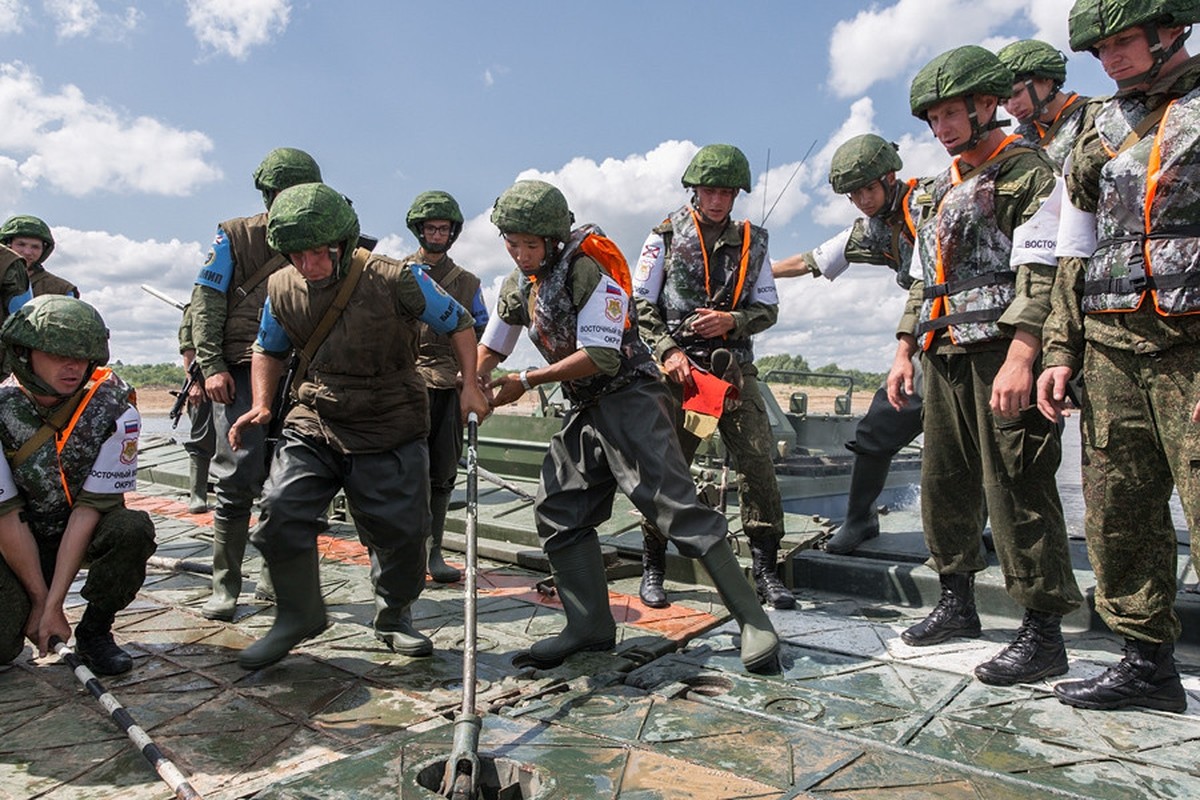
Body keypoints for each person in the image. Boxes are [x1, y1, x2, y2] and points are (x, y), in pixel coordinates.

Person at [478, 179, 780, 672]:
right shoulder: (521, 285)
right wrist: (476, 377)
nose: (520, 255)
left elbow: (599, 355)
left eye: (530, 245)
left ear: (553, 240)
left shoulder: (589, 270)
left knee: (676, 508)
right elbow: (497, 340)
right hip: (586, 407)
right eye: (512, 244)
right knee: (559, 508)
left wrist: (526, 380)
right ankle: (589, 625)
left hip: (630, 396)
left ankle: (753, 620)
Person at [227, 182, 488, 670]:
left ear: (344, 244)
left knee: (403, 534)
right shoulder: (282, 288)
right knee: (281, 509)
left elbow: (459, 323)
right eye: (296, 255)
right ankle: (298, 614)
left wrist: (469, 384)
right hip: (318, 413)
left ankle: (393, 615)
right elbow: (269, 346)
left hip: (391, 418)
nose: (309, 266)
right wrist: (263, 405)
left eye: (318, 253)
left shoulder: (398, 279)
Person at [886, 45, 1083, 686]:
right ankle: (957, 601)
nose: (941, 129)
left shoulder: (1027, 172)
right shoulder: (936, 191)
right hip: (942, 353)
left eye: (950, 114)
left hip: (1000, 352)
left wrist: (1024, 353)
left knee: (1017, 486)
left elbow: (1040, 272)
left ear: (985, 105)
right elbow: (922, 280)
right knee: (945, 482)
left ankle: (1041, 631)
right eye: (932, 119)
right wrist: (903, 348)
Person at [1038, 0, 1200, 713]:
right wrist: (1058, 349)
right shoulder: (1096, 132)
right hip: (1110, 348)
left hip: (1191, 347)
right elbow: (1074, 250)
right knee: (1117, 513)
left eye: (1124, 42)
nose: (1111, 59)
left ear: (1173, 30)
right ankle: (1146, 666)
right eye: (1099, 50)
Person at [632, 144, 793, 610]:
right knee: (668, 468)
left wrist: (733, 322)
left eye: (726, 192)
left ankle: (766, 570)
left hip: (734, 374)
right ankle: (654, 565)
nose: (718, 200)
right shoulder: (662, 237)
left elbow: (768, 308)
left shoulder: (753, 241)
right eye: (710, 191)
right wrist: (668, 352)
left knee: (758, 465)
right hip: (682, 377)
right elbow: (640, 305)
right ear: (694, 191)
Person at [772, 134, 927, 554]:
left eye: (868, 189)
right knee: (874, 432)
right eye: (853, 194)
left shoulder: (928, 207)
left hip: (958, 338)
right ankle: (860, 521)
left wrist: (904, 351)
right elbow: (812, 260)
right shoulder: (874, 228)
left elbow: (924, 286)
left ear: (890, 177)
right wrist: (758, 270)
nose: (862, 199)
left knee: (975, 445)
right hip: (927, 345)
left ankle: (983, 528)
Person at [189, 147, 323, 621]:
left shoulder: (326, 233)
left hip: (302, 369)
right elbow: (206, 300)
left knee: (290, 477)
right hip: (243, 364)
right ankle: (225, 585)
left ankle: (274, 579)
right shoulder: (234, 236)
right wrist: (210, 367)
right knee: (238, 474)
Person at [0, 296, 156, 675]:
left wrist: (54, 608)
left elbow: (88, 512)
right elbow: (7, 516)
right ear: (25, 353)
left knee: (132, 529)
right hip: (14, 538)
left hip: (80, 530)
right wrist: (40, 600)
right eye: (57, 355)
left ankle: (95, 632)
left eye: (82, 357)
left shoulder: (115, 408)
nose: (73, 367)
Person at [402, 191, 489, 584]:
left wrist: (470, 374)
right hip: (405, 384)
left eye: (443, 228)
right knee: (403, 471)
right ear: (419, 230)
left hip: (449, 386)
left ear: (452, 233)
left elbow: (482, 331)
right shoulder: (396, 272)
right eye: (430, 228)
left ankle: (433, 553)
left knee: (443, 472)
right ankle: (404, 552)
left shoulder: (468, 283)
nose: (437, 234)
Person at [996, 39, 1092, 168]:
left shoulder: (1095, 115)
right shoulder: (1020, 141)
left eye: (1017, 93)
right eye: (1003, 102)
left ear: (1046, 78)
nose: (1012, 106)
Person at [177, 302, 215, 514]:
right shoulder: (198, 306)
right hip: (202, 377)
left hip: (235, 374)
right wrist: (193, 384)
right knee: (202, 437)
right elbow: (188, 350)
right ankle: (197, 494)